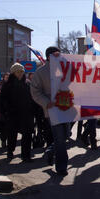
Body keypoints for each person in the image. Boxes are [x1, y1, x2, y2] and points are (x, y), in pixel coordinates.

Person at [30, 46, 69, 176]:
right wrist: (47, 103)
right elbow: (35, 91)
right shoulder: (40, 72)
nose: (59, 56)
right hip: (52, 111)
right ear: (49, 57)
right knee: (60, 139)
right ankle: (61, 167)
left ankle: (50, 151)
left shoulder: (65, 69)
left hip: (67, 109)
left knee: (65, 136)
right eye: (56, 54)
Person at [0, 63, 35, 162]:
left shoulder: (27, 84)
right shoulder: (7, 85)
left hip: (26, 113)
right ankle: (10, 151)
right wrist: (5, 111)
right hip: (13, 114)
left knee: (27, 135)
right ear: (13, 73)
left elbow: (32, 97)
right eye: (18, 72)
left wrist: (33, 109)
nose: (20, 74)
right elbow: (3, 100)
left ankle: (26, 155)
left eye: (21, 72)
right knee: (12, 134)